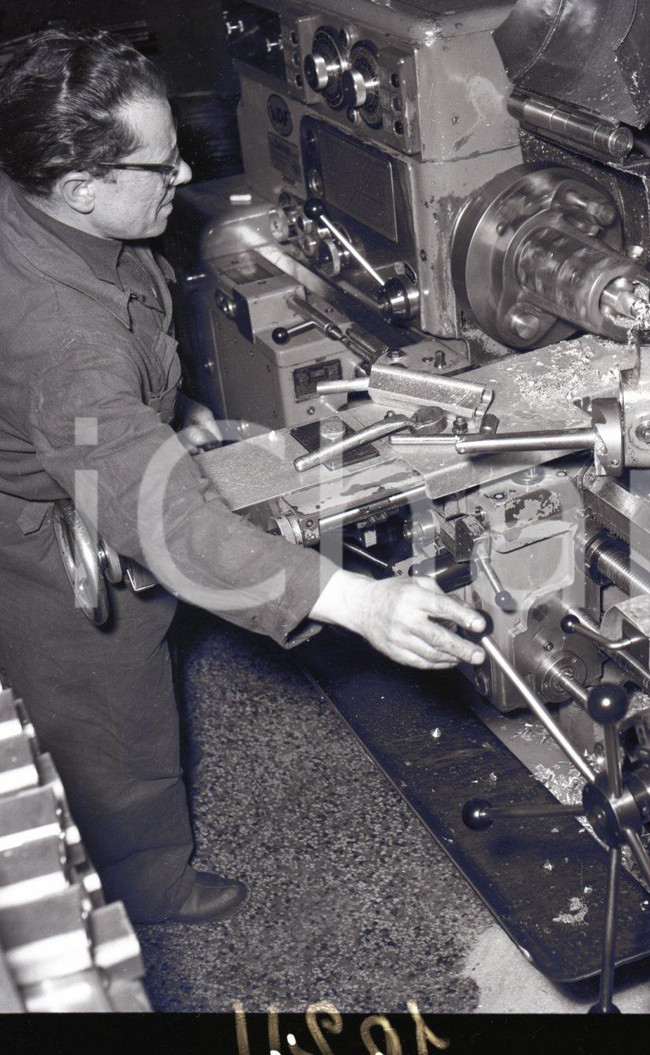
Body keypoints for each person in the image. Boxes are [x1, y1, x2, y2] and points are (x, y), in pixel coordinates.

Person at [0, 28, 486, 925]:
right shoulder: (62, 341)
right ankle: (151, 889)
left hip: (67, 428)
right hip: (34, 537)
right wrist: (358, 601)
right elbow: (163, 517)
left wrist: (172, 414)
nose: (184, 177)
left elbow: (116, 360)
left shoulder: (48, 215)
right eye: (161, 165)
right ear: (78, 188)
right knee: (109, 717)